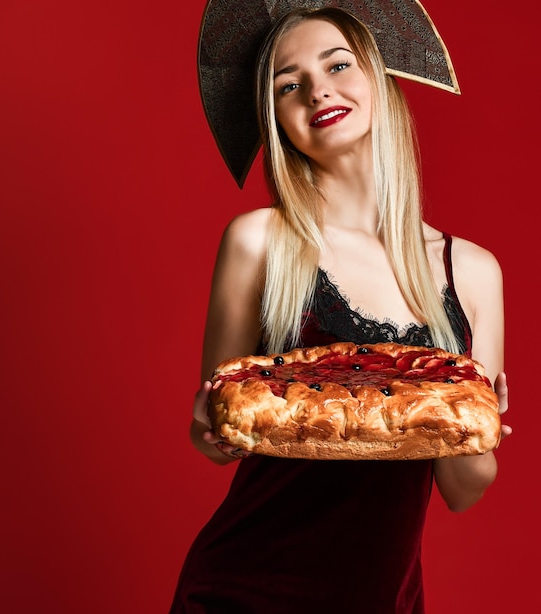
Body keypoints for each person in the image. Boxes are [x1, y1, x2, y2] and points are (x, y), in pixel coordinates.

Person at [170, 5, 511, 613]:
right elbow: (215, 431)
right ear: (278, 120)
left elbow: (463, 490)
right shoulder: (260, 241)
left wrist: (474, 430)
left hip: (385, 598)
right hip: (244, 590)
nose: (317, 89)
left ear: (380, 77)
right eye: (289, 84)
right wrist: (212, 429)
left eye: (337, 64)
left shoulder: (475, 272)